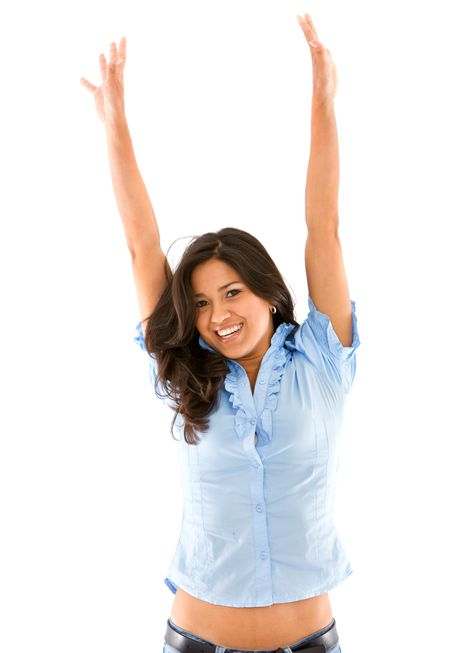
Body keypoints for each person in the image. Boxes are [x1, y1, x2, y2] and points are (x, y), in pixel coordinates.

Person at [80, 13, 360, 653]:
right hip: (197, 640)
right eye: (202, 302)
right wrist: (115, 123)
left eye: (233, 292)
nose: (218, 315)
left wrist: (323, 100)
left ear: (268, 291)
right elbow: (140, 245)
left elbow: (325, 225)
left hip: (311, 641)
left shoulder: (324, 356)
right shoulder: (182, 366)